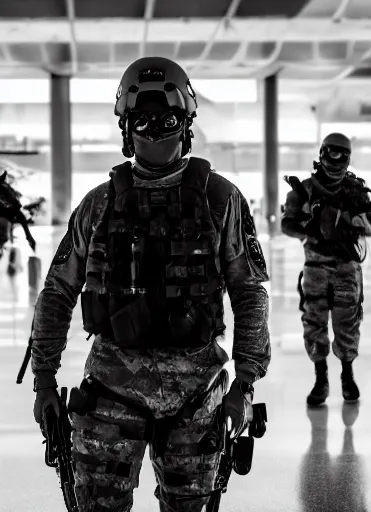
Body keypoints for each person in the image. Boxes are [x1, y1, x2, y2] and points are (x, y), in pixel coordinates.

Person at [29, 56, 271, 512]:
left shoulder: (221, 200)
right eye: (143, 120)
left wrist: (245, 383)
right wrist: (44, 379)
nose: (155, 130)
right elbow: (58, 292)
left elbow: (249, 294)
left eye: (167, 119)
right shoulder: (98, 204)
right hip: (110, 393)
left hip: (196, 395)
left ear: (186, 122)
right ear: (126, 127)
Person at [281, 133, 371, 406]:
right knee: (314, 322)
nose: (334, 160)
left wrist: (348, 223)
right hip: (315, 266)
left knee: (347, 322)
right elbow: (286, 224)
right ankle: (320, 378)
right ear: (322, 153)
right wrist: (309, 229)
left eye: (340, 154)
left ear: (347, 158)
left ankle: (347, 376)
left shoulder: (356, 191)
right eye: (330, 153)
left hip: (346, 267)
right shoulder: (304, 189)